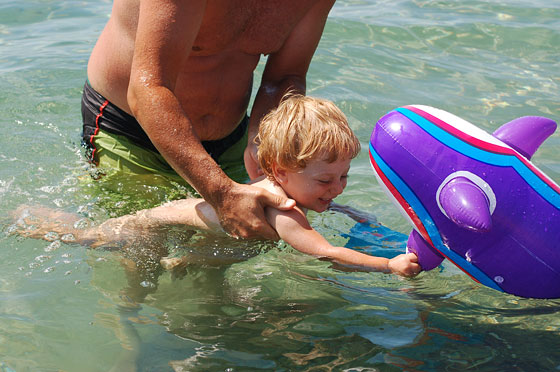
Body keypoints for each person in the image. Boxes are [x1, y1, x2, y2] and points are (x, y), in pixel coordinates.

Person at [18, 95, 420, 276]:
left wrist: (363, 218)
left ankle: (186, 264)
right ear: (279, 172)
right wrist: (388, 264)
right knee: (86, 240)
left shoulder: (289, 188)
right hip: (147, 228)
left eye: (345, 176)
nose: (337, 188)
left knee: (202, 271)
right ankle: (26, 219)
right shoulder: (283, 211)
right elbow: (328, 254)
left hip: (178, 224)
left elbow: (339, 210)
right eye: (326, 180)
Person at [81, 0, 339, 241]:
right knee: (136, 246)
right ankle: (55, 227)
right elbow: (149, 88)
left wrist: (263, 141)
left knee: (237, 241)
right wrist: (222, 193)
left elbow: (284, 77)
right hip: (131, 130)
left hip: (232, 135)